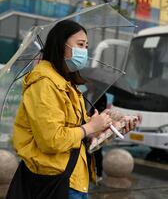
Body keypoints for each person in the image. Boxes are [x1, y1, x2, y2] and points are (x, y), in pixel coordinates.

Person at [10, 20, 136, 199]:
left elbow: (83, 140)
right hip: (56, 181)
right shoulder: (44, 84)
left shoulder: (69, 86)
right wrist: (90, 127)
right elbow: (52, 140)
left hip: (75, 179)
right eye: (80, 45)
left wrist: (112, 128)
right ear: (62, 46)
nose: (84, 51)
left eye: (86, 46)